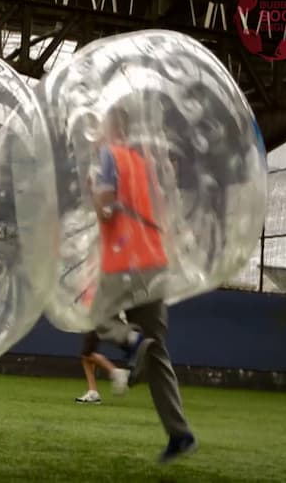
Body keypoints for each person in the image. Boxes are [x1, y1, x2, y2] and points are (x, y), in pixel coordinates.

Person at [89, 106, 197, 463]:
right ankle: (179, 433)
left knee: (101, 316)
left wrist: (95, 195)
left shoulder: (110, 155)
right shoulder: (146, 161)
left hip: (124, 258)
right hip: (154, 258)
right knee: (158, 351)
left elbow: (105, 206)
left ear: (114, 126)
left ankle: (131, 340)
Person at [75, 330, 130, 404]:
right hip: (99, 323)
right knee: (86, 357)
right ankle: (93, 392)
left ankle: (116, 372)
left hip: (98, 323)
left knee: (87, 354)